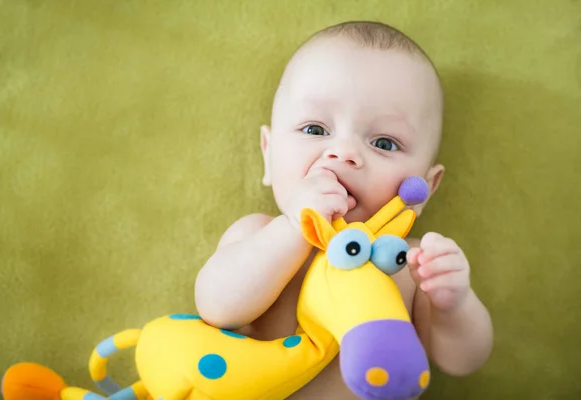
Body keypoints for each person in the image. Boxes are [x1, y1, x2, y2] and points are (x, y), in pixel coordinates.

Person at [194, 20, 493, 399]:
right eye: (315, 130)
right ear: (268, 155)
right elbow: (218, 307)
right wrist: (291, 228)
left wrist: (454, 304)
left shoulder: (411, 265)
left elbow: (461, 361)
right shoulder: (257, 234)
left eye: (384, 142)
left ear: (425, 187)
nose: (344, 153)